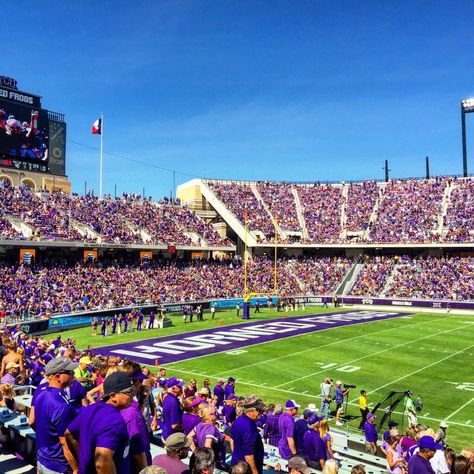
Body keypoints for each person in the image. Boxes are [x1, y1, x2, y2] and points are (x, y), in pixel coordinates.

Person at [65, 372, 135, 474]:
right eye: (129, 392)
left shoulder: (92, 408)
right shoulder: (115, 421)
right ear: (113, 396)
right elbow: (102, 462)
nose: (132, 396)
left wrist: (83, 462)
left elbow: (68, 433)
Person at [34, 357, 79, 474]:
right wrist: (76, 469)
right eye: (70, 372)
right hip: (59, 466)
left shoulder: (40, 396)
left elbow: (32, 422)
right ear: (58, 377)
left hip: (42, 460)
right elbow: (65, 443)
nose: (73, 374)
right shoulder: (61, 405)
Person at [188, 404, 229, 471]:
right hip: (215, 462)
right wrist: (209, 463)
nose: (217, 414)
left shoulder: (200, 425)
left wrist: (195, 452)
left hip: (205, 459)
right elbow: (207, 446)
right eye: (215, 413)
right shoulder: (211, 428)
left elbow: (188, 437)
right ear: (209, 416)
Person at [230, 396, 265, 474]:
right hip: (246, 469)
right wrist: (255, 472)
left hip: (237, 465)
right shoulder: (249, 427)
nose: (260, 413)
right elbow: (248, 455)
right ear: (250, 411)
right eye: (258, 410)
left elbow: (232, 441)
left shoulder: (238, 420)